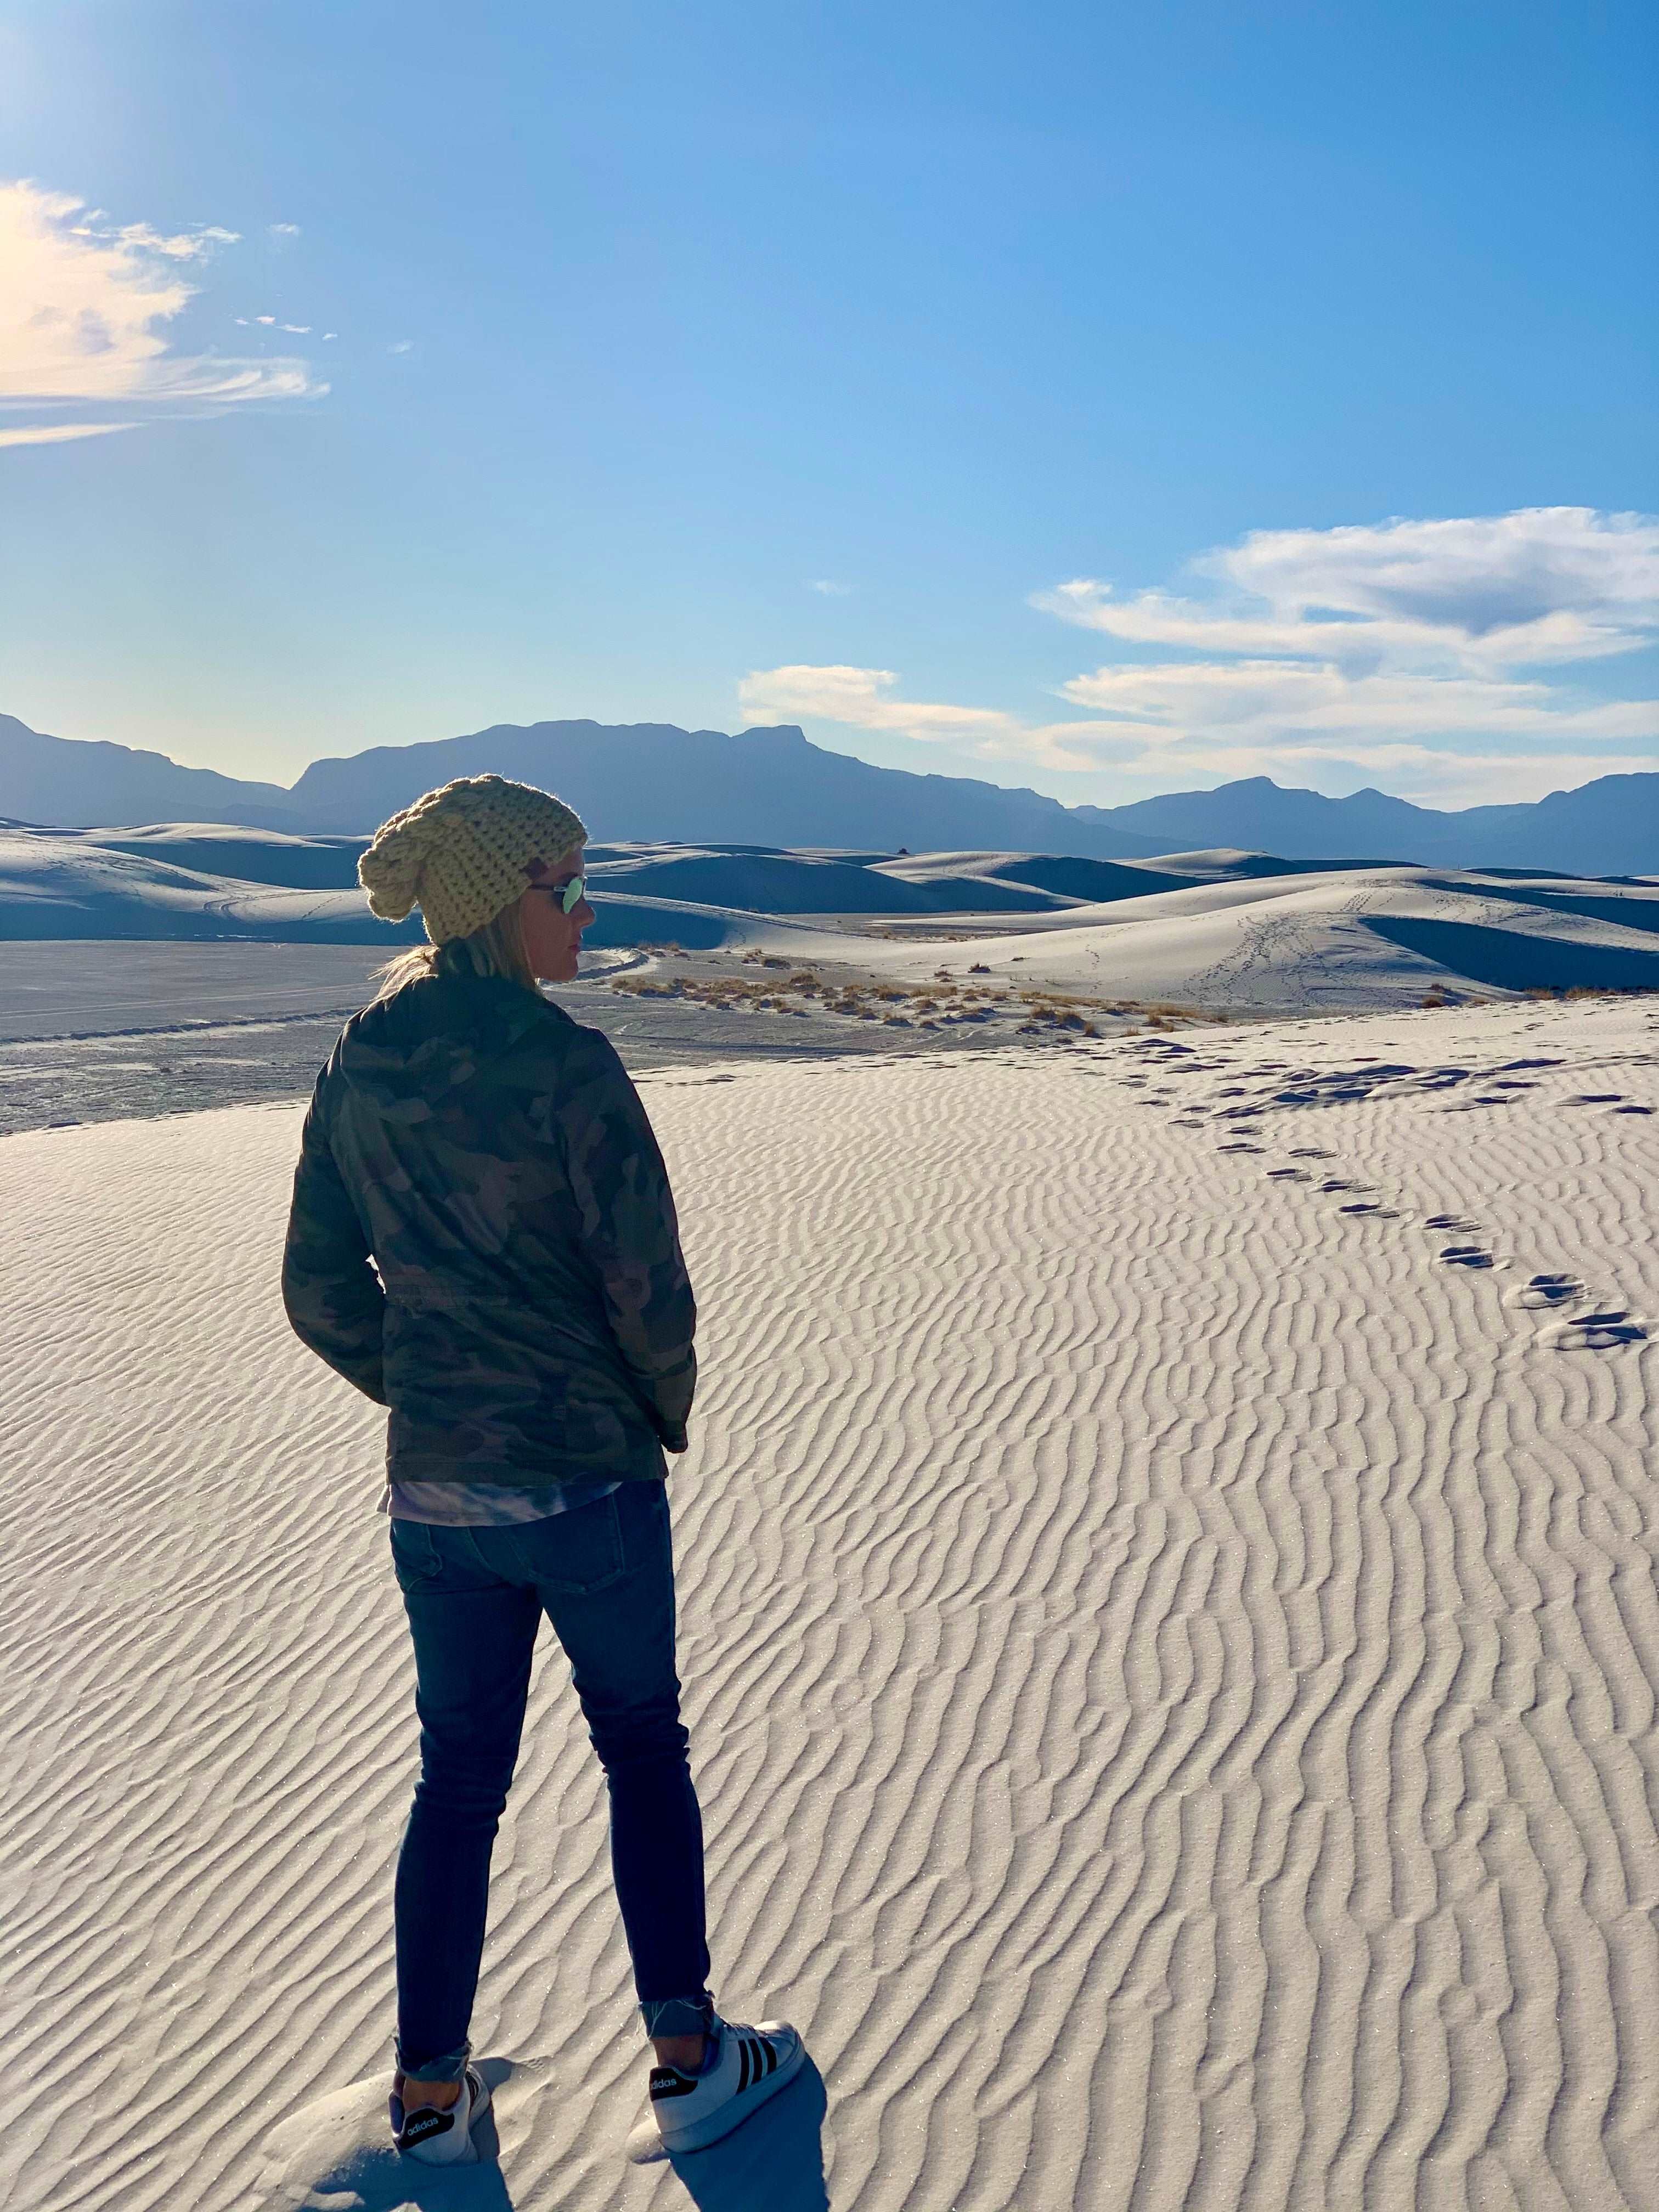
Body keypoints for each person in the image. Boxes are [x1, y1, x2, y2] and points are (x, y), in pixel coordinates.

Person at [281, 773, 800, 2164]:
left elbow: (316, 1285)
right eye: (566, 883)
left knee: (458, 1779)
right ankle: (690, 2062)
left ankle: (431, 2100)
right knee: (642, 1748)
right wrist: (654, 1415)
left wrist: (432, 1390)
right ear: (500, 904)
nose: (587, 907)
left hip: (437, 1496)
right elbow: (652, 1292)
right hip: (588, 1481)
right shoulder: (570, 1066)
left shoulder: (360, 1055)